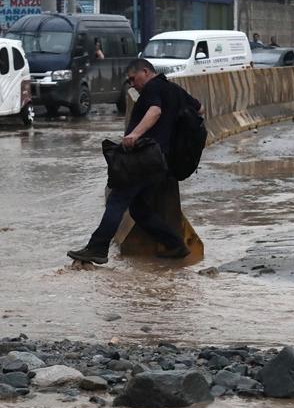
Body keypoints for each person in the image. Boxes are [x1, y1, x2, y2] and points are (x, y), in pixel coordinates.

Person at [67, 58, 202, 265]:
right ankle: (176, 244)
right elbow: (200, 109)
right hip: (162, 163)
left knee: (117, 200)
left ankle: (97, 248)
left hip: (145, 158)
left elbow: (155, 111)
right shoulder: (174, 89)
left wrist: (135, 135)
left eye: (133, 78)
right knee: (139, 208)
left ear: (145, 72)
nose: (132, 84)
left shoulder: (152, 88)